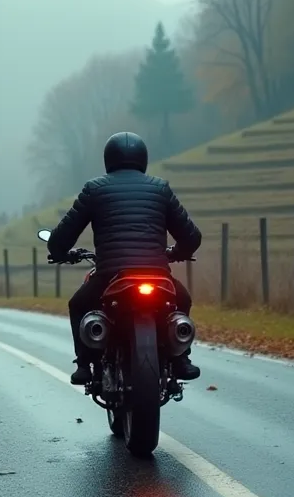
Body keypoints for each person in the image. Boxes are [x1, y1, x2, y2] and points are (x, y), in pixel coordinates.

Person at [46, 131, 202, 386]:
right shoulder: (160, 189)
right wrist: (177, 253)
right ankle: (181, 358)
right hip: (157, 274)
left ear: (109, 159)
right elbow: (191, 237)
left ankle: (84, 364)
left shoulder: (94, 189)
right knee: (182, 299)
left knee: (78, 304)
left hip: (111, 275)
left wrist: (61, 253)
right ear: (143, 159)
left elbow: (62, 237)